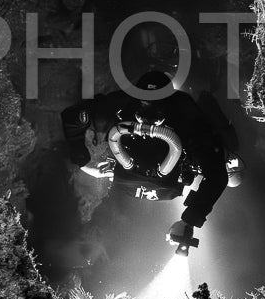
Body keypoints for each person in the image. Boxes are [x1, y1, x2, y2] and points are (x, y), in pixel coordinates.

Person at [60, 70, 241, 254]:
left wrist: (190, 220)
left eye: (157, 104)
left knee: (232, 172)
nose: (150, 112)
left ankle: (208, 89)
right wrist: (77, 150)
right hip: (138, 176)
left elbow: (217, 175)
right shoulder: (121, 104)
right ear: (136, 97)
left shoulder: (186, 115)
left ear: (170, 103)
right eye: (145, 102)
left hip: (156, 174)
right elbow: (74, 116)